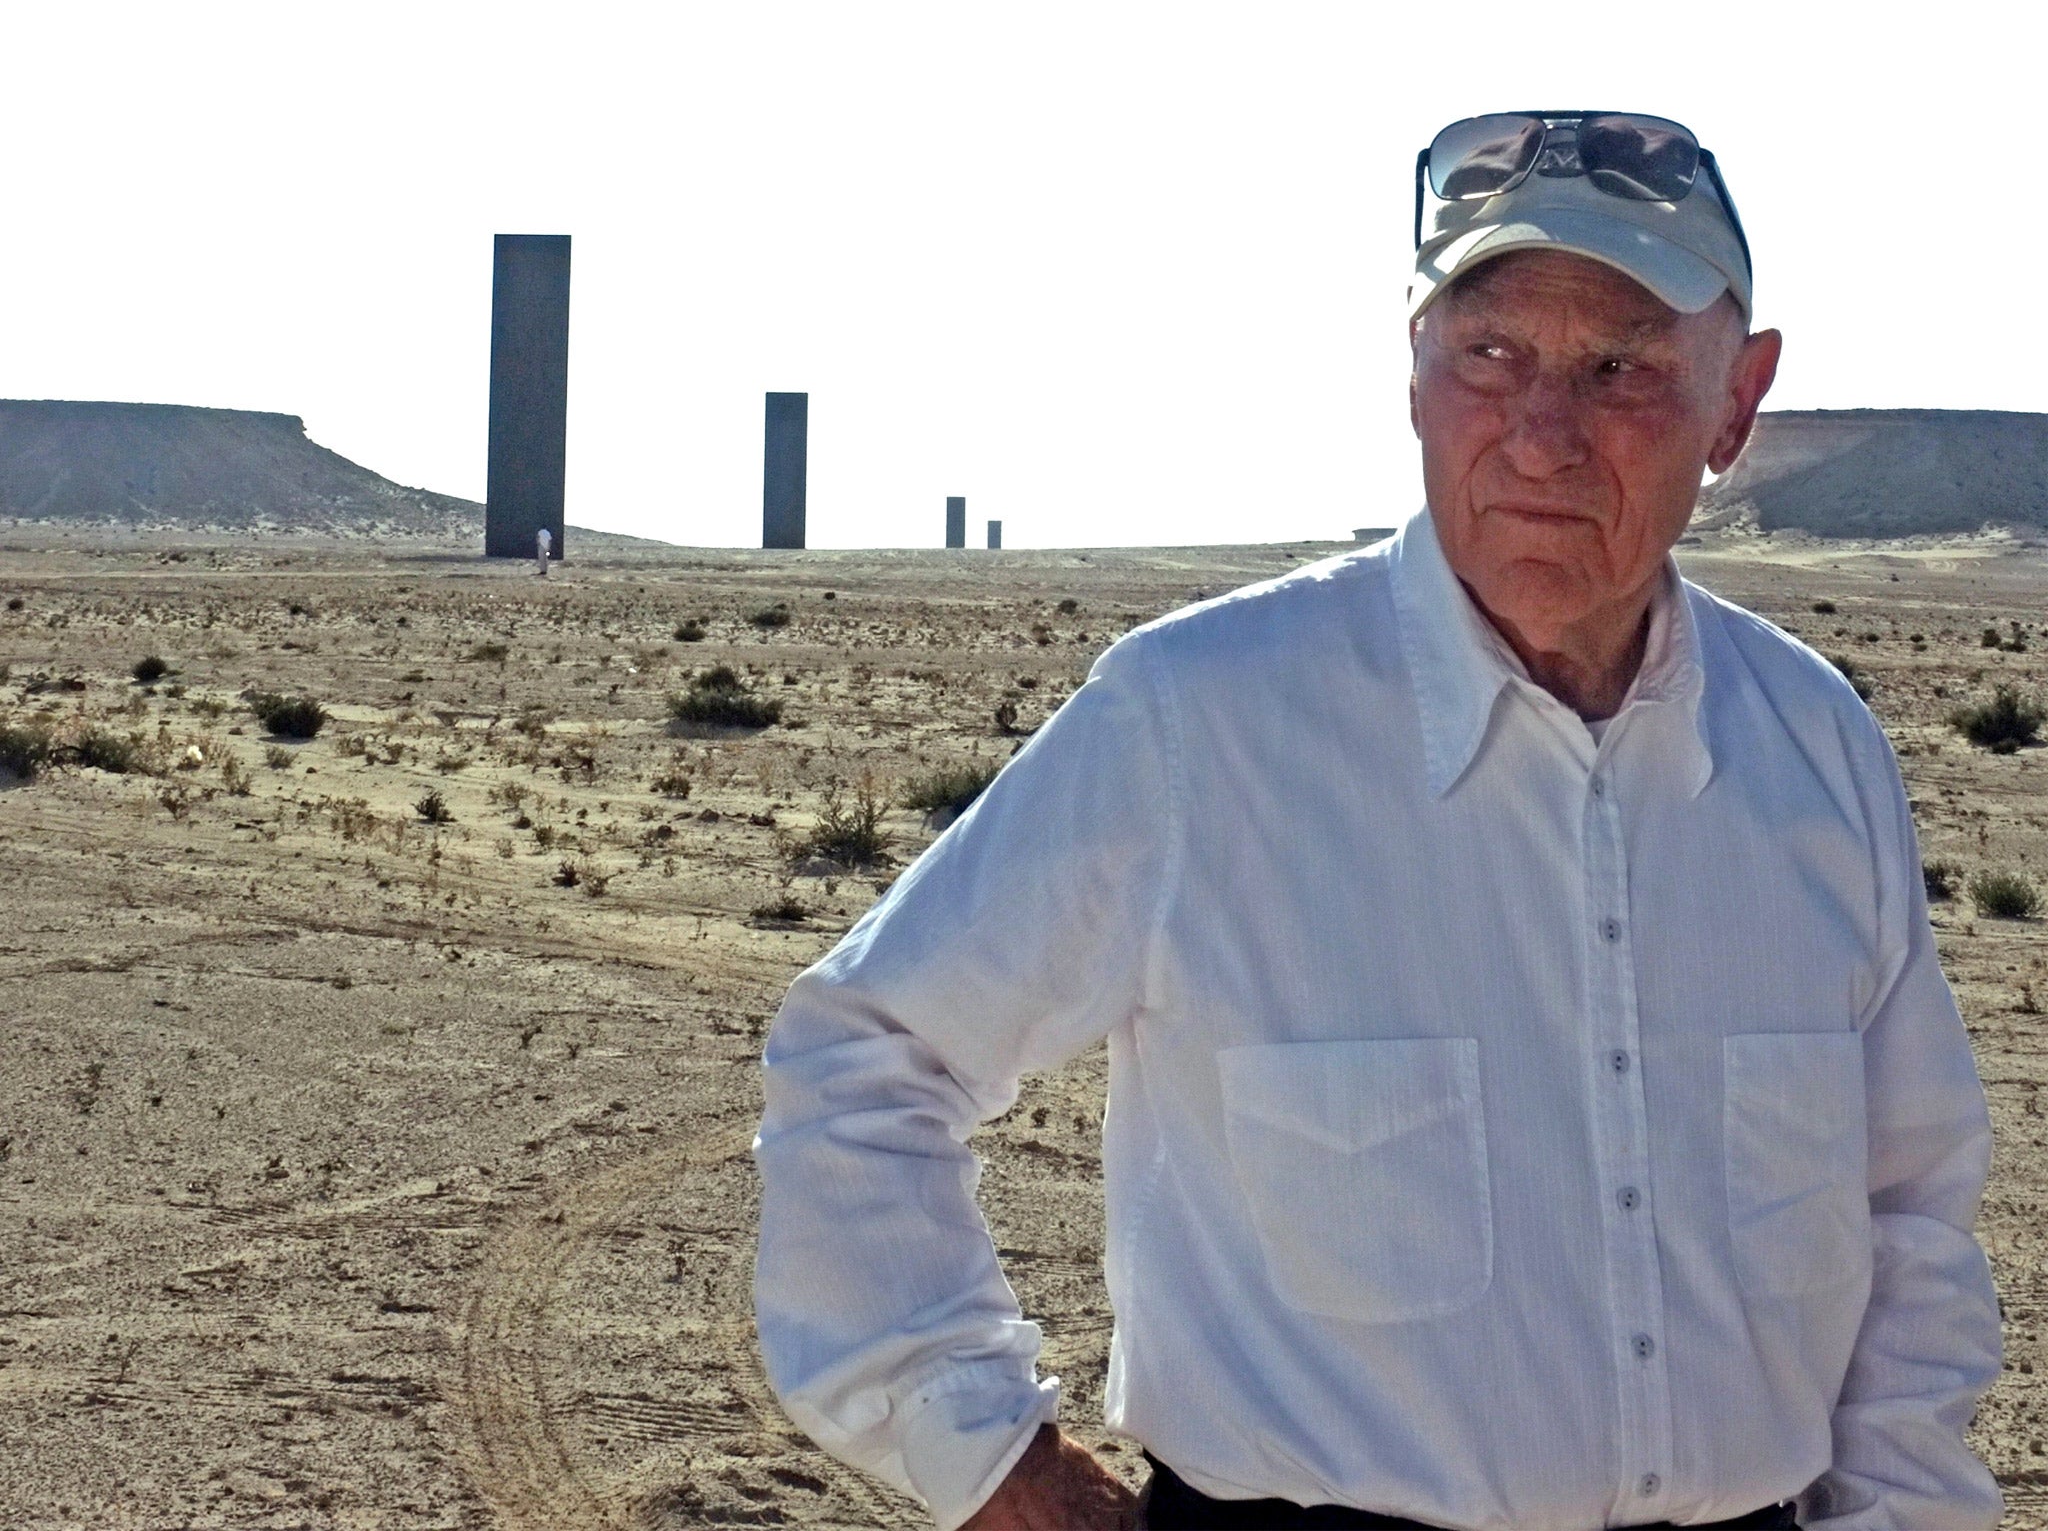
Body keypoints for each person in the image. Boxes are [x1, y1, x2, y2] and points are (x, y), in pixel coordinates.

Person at [752, 110, 2003, 1531]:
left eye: (1620, 368)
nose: (1542, 434)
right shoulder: (1201, 722)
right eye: (1491, 355)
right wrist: (988, 1463)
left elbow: (1908, 1211)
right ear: (1414, 370)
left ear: (1737, 403)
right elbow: (869, 1053)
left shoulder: (1812, 745)